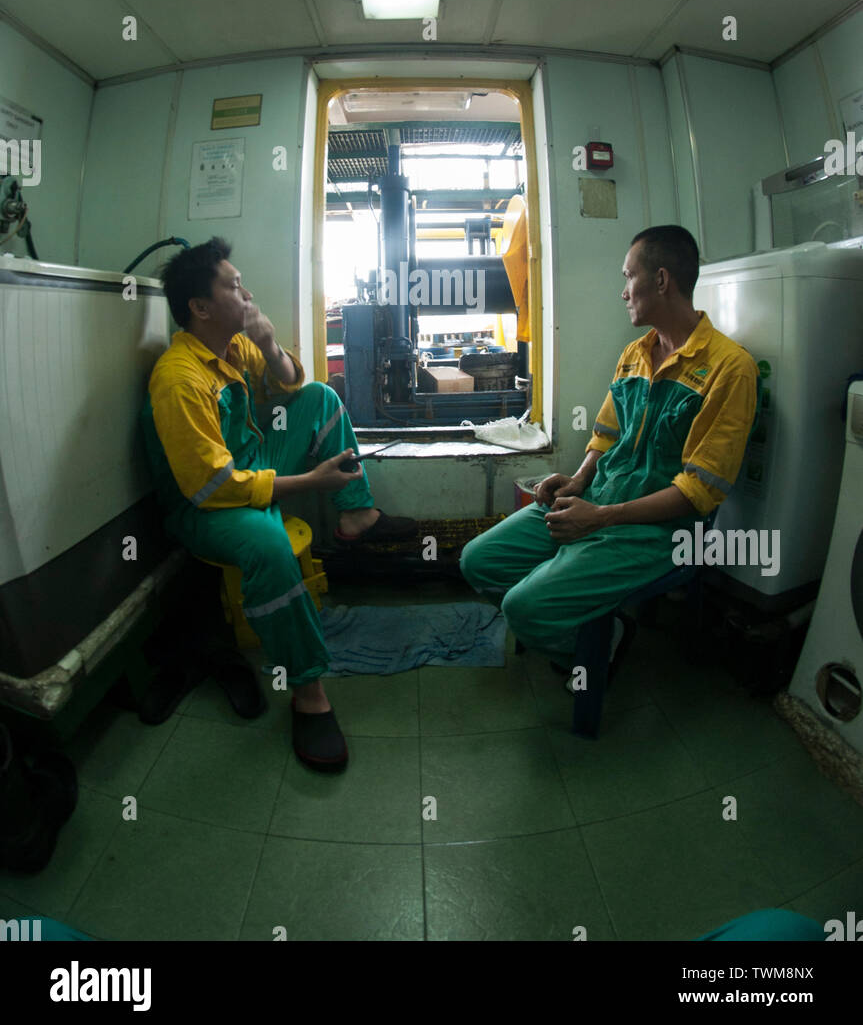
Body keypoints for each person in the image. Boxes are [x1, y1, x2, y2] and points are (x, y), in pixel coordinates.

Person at [140, 237, 416, 772]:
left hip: (251, 458)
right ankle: (309, 692)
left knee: (323, 398)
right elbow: (212, 487)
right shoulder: (179, 379)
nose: (247, 292)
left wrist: (268, 346)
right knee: (268, 546)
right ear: (200, 307)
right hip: (206, 503)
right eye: (233, 285)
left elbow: (295, 382)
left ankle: (356, 514)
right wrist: (309, 480)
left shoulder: (230, 345)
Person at [460, 225, 758, 679]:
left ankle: (605, 643)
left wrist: (600, 518)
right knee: (478, 561)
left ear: (660, 281)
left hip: (658, 530)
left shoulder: (730, 369)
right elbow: (604, 435)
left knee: (522, 610)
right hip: (594, 500)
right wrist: (579, 480)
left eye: (628, 276)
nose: (623, 292)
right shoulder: (634, 355)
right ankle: (577, 616)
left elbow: (699, 492)